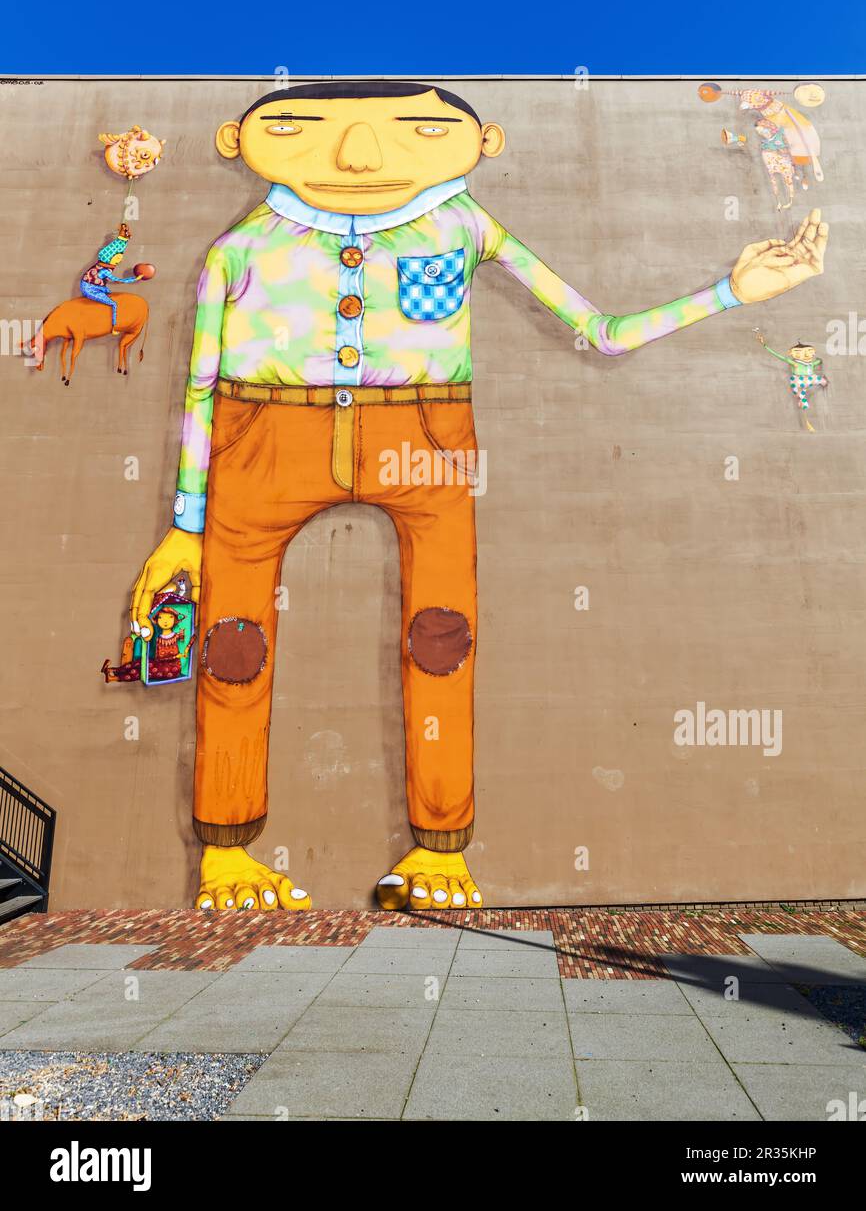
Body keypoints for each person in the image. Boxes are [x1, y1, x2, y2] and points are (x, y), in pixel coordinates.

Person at [129, 81, 829, 913]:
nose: (358, 156)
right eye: (298, 129)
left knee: (443, 639)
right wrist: (183, 526)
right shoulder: (239, 247)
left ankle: (440, 849)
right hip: (262, 440)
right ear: (234, 140)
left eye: (419, 130)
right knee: (231, 644)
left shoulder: (466, 226)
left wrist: (729, 294)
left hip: (424, 440)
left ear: (484, 141)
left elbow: (599, 332)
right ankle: (227, 854)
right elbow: (200, 386)